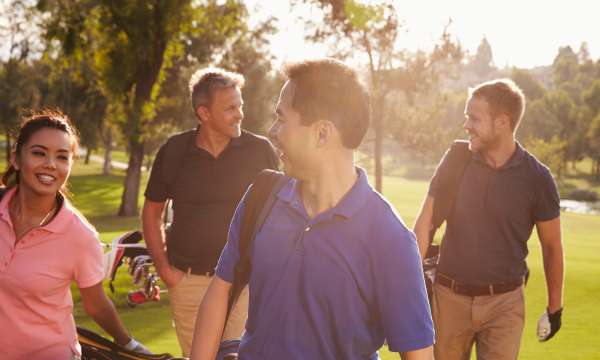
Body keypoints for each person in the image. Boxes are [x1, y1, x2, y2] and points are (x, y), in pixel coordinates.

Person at [190, 58, 435, 360]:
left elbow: (418, 354)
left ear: (322, 133)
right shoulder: (262, 197)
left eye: (281, 119)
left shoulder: (391, 239)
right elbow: (220, 291)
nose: (272, 130)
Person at [413, 79, 564, 360]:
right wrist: (409, 289)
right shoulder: (457, 158)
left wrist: (555, 308)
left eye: (474, 118)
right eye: (466, 117)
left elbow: (552, 246)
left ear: (502, 122)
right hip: (449, 299)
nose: (466, 125)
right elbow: (425, 223)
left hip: (504, 305)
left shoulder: (538, 178)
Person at [142, 67, 279, 356]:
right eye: (230, 108)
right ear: (204, 113)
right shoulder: (174, 151)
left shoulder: (260, 151)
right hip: (188, 282)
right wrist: (166, 271)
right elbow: (152, 212)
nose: (240, 114)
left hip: (242, 284)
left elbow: (281, 210)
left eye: (240, 105)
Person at [0, 110, 149, 359]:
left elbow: (96, 304)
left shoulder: (79, 236)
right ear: (16, 158)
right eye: (39, 153)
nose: (50, 164)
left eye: (62, 157)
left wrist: (130, 346)